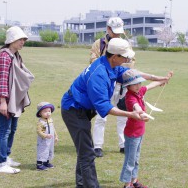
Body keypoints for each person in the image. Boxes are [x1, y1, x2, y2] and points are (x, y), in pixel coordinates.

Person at [61, 38, 170, 188]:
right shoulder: (99, 74)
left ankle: (81, 185)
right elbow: (106, 107)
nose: (128, 59)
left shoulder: (111, 66)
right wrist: (131, 115)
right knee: (87, 154)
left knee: (84, 151)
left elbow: (133, 73)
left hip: (83, 109)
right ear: (115, 57)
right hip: (73, 110)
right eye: (125, 57)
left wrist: (158, 78)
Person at [119, 69, 173, 188]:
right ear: (128, 86)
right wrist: (142, 114)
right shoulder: (130, 97)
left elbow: (150, 85)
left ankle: (134, 181)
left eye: (139, 83)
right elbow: (136, 107)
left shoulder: (139, 92)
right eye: (135, 84)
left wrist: (164, 79)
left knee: (136, 158)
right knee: (130, 160)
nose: (138, 86)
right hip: (132, 134)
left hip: (139, 133)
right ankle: (127, 185)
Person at [0, 26, 35, 174]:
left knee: (12, 129)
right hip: (6, 100)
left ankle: (6, 156)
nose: (23, 42)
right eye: (20, 39)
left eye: (24, 39)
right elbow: (2, 81)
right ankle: (1, 164)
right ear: (12, 40)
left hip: (14, 99)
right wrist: (2, 102)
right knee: (4, 131)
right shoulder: (4, 56)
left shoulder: (15, 55)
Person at [90, 17, 133, 157]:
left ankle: (123, 144)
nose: (117, 34)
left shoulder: (126, 43)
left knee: (123, 116)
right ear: (108, 29)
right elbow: (93, 62)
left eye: (119, 32)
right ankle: (97, 146)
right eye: (115, 31)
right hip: (104, 84)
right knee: (101, 115)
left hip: (122, 84)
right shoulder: (99, 44)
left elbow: (131, 63)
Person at [36, 102, 58, 171]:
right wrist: (45, 135)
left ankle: (46, 162)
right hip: (43, 140)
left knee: (50, 150)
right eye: (45, 111)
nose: (48, 113)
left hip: (50, 139)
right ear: (40, 113)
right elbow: (39, 131)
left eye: (49, 111)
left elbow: (53, 128)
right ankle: (39, 164)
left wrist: (56, 136)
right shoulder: (41, 122)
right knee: (43, 150)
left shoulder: (50, 120)